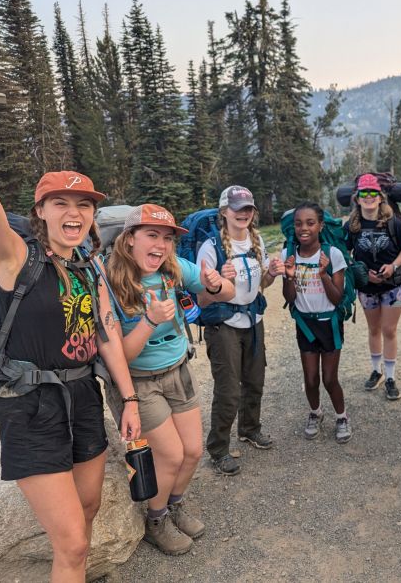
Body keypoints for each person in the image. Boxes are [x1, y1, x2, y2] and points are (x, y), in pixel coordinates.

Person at [0, 160, 140, 583]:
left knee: (87, 513)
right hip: (31, 407)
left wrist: (129, 400)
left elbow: (106, 335)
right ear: (40, 212)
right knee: (71, 542)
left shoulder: (89, 265)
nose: (74, 212)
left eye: (84, 204)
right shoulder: (15, 257)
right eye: (61, 202)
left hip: (84, 396)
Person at [106, 204, 234, 556]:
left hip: (178, 371)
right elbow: (120, 355)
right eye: (152, 235)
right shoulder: (111, 283)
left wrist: (217, 283)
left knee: (192, 452)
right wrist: (148, 320)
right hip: (140, 382)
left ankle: (174, 505)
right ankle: (156, 520)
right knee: (172, 455)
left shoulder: (173, 268)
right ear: (129, 239)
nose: (161, 245)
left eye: (167, 238)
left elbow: (226, 294)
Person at [196, 186, 285, 475]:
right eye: (237, 208)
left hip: (253, 321)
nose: (243, 213)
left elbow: (261, 286)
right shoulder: (211, 247)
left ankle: (249, 429)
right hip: (223, 326)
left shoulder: (256, 240)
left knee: (255, 380)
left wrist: (271, 273)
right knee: (228, 390)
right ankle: (218, 449)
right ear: (224, 212)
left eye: (248, 208)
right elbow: (201, 298)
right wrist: (218, 281)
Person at [281, 202, 352, 443]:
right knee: (310, 378)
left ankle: (342, 417)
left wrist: (323, 274)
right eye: (299, 223)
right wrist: (289, 277)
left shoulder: (332, 254)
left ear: (320, 226)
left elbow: (337, 297)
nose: (304, 228)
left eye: (310, 223)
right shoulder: (288, 255)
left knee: (329, 378)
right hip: (305, 324)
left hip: (328, 323)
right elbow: (289, 297)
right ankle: (315, 412)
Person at [344, 173, 401, 400]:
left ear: (381, 197)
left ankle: (390, 376)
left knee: (389, 330)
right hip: (367, 287)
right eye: (364, 193)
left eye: (373, 192)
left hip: (393, 285)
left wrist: (392, 266)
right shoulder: (352, 226)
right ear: (357, 198)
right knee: (373, 329)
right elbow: (343, 254)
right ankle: (376, 371)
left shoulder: (393, 222)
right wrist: (359, 271)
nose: (369, 197)